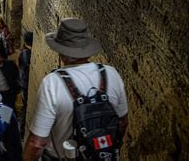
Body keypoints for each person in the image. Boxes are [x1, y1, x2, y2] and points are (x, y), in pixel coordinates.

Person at [23, 18, 129, 160]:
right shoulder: (111, 74)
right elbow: (122, 123)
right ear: (87, 51)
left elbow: (36, 143)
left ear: (60, 52)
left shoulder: (52, 83)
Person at [18, 31, 33, 138]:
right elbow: (28, 66)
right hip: (25, 84)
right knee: (25, 107)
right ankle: (21, 131)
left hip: (24, 83)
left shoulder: (26, 52)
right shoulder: (26, 54)